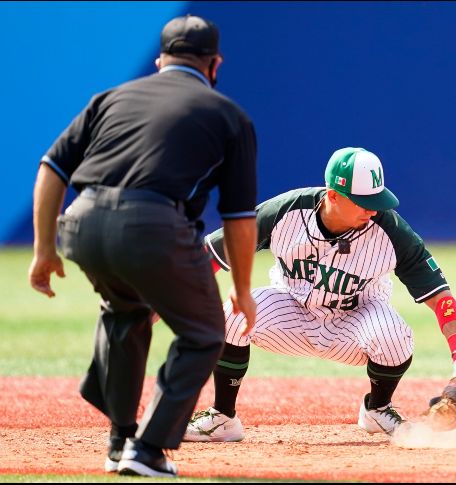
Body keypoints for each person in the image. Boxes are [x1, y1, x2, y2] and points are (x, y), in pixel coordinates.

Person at [27, 15, 258, 477]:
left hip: (81, 222)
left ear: (159, 61)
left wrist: (44, 248)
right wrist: (243, 288)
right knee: (206, 333)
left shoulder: (110, 98)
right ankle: (149, 449)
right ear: (215, 64)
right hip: (151, 224)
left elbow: (52, 167)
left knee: (125, 313)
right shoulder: (229, 116)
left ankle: (121, 442)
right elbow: (238, 218)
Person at [183, 146, 456, 442]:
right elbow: (209, 253)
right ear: (333, 195)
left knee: (395, 335)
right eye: (363, 201)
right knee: (233, 312)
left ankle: (377, 408)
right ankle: (223, 417)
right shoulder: (286, 211)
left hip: (355, 324)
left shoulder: (391, 232)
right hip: (292, 312)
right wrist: (160, 302)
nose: (372, 209)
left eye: (376, 200)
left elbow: (441, 297)